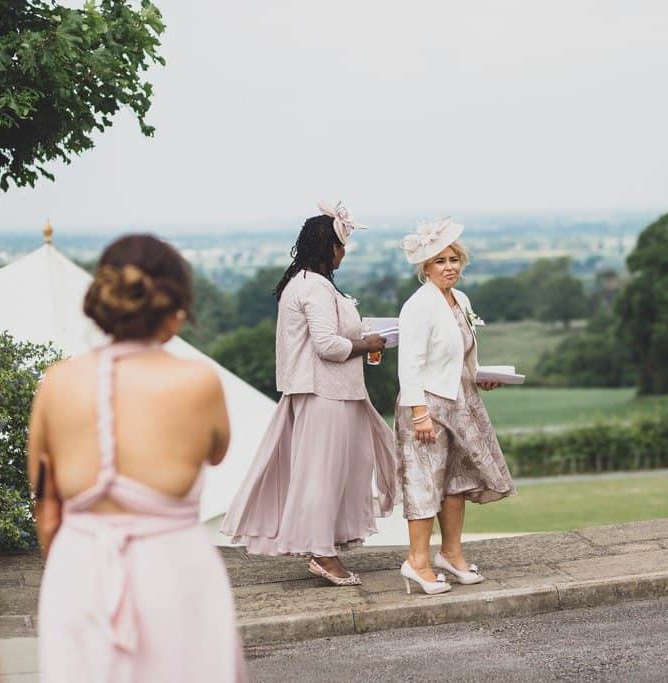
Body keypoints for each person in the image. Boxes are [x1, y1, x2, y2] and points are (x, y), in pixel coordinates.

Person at [29, 234, 247, 682]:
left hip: (80, 571)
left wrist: (71, 572)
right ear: (174, 309)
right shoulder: (197, 382)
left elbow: (46, 508)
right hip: (173, 570)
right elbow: (218, 450)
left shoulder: (57, 383)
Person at [221, 202, 398, 586]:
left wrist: (363, 340)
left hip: (331, 391)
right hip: (324, 393)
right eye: (341, 245)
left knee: (333, 472)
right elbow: (328, 346)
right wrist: (366, 344)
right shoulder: (314, 287)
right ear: (327, 247)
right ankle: (321, 554)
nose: (344, 253)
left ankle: (326, 542)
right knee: (322, 474)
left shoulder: (303, 283)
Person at [395, 217, 516, 595]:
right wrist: (419, 413)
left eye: (454, 260)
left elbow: (459, 357)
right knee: (425, 482)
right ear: (425, 268)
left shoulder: (460, 300)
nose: (449, 267)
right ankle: (417, 562)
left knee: (457, 481)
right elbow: (409, 364)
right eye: (440, 261)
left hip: (461, 402)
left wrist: (482, 377)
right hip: (427, 406)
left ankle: (451, 554)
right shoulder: (418, 306)